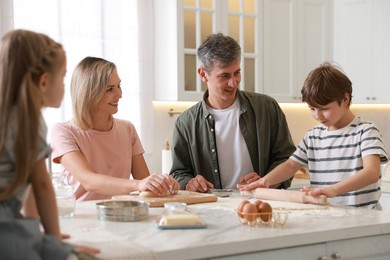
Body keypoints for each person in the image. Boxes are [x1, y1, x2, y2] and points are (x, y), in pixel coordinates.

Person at [0, 29, 99, 259]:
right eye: (63, 77)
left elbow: (30, 193)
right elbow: (41, 186)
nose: (66, 85)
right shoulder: (27, 120)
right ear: (44, 82)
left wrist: (40, 235)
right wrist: (54, 239)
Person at [238, 62, 389, 209]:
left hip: (365, 220)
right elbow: (291, 165)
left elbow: (371, 173)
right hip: (327, 216)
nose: (317, 115)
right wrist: (265, 181)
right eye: (312, 108)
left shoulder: (366, 132)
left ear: (345, 99)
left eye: (324, 108)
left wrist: (333, 190)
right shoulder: (313, 136)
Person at [170, 33, 296, 192]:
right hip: (212, 209)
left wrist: (266, 181)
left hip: (259, 206)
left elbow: (287, 159)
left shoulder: (267, 108)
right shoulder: (185, 123)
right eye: (224, 76)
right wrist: (189, 183)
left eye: (237, 72)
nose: (233, 82)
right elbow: (178, 173)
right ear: (203, 74)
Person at [50, 56, 179, 201]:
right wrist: (139, 184)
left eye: (119, 86)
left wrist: (161, 184)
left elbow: (144, 181)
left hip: (120, 214)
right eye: (110, 89)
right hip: (83, 217)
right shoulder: (63, 132)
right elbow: (88, 181)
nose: (120, 94)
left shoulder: (127, 129)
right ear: (88, 93)